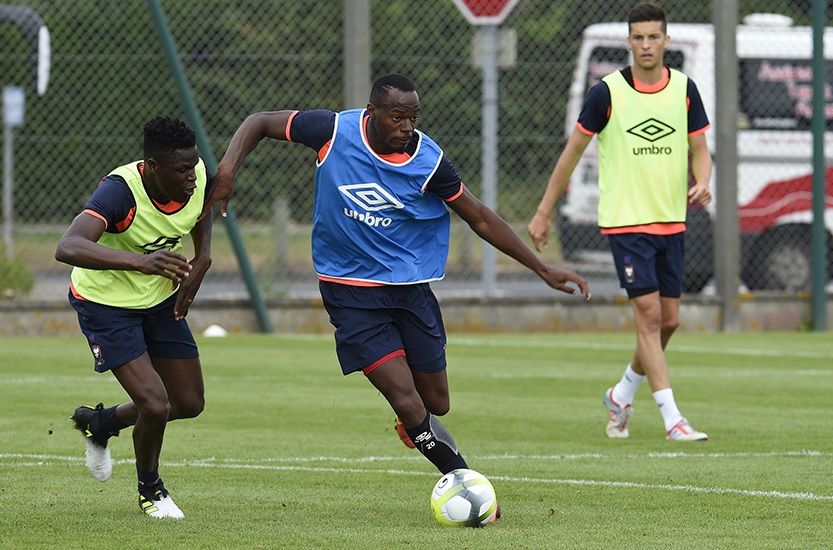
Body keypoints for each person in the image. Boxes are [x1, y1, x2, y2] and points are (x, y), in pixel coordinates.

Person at [203, 73, 590, 487]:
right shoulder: (332, 130)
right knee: (407, 401)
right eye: (397, 117)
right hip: (349, 292)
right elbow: (259, 121)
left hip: (409, 291)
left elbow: (478, 216)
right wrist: (227, 169)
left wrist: (541, 267)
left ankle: (415, 422)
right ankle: (466, 484)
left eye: (413, 117)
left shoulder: (428, 161)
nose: (407, 127)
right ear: (372, 114)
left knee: (435, 402)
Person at [528, 3, 713, 442]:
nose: (646, 45)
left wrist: (703, 181)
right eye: (638, 37)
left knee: (669, 322)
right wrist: (543, 209)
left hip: (671, 220)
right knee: (648, 317)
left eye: (654, 37)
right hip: (625, 222)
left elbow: (700, 149)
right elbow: (572, 152)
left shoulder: (685, 89)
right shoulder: (606, 93)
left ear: (666, 41)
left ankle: (622, 393)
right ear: (628, 42)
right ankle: (673, 419)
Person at [56, 115, 213, 518]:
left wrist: (204, 254)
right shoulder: (120, 191)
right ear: (153, 167)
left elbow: (202, 208)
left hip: (160, 302)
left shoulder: (194, 176)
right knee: (155, 405)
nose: (192, 176)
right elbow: (68, 245)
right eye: (182, 170)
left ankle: (103, 423)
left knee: (189, 402)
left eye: (194, 165)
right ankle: (152, 491)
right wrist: (139, 262)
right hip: (106, 306)